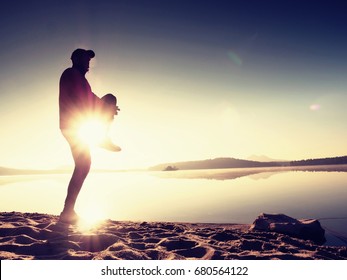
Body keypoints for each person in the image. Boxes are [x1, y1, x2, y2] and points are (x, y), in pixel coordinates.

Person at [59, 48, 120, 224]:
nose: (88, 63)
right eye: (85, 59)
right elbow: (81, 98)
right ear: (76, 59)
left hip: (77, 124)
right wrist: (103, 107)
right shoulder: (71, 74)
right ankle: (67, 212)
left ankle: (67, 211)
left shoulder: (82, 80)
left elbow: (89, 96)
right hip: (73, 125)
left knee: (83, 165)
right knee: (83, 165)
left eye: (89, 60)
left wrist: (106, 108)